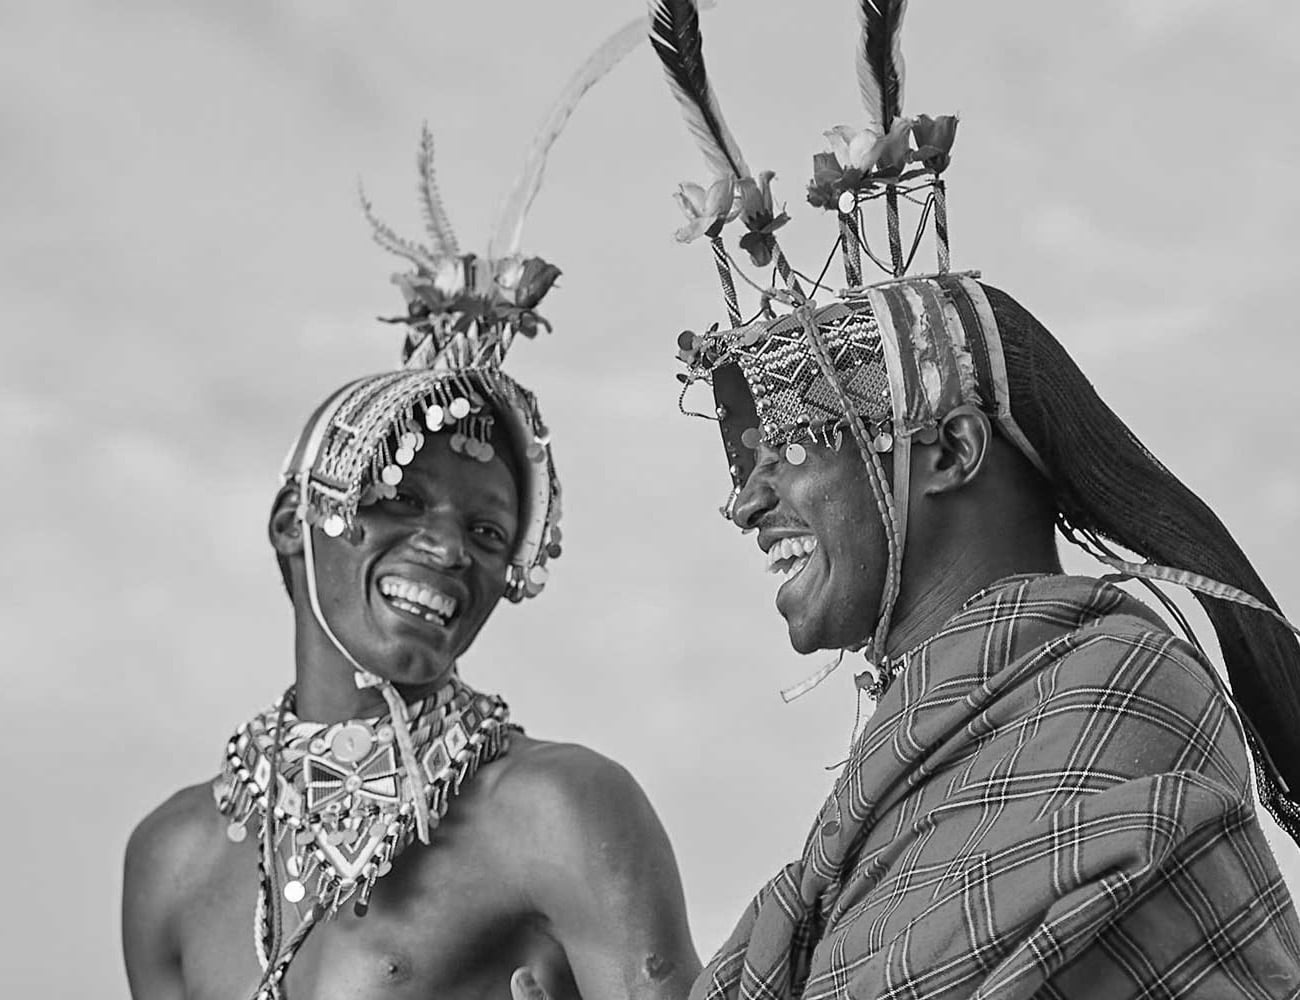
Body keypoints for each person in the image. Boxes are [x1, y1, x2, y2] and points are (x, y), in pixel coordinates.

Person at [607, 0, 1300, 996]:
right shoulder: (893, 782)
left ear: (952, 449)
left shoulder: (1121, 698)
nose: (746, 504)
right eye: (740, 465)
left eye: (792, 445)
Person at [121, 18, 700, 1000]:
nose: (445, 548)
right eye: (401, 501)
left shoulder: (560, 813)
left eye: (486, 532)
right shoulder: (172, 863)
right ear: (292, 522)